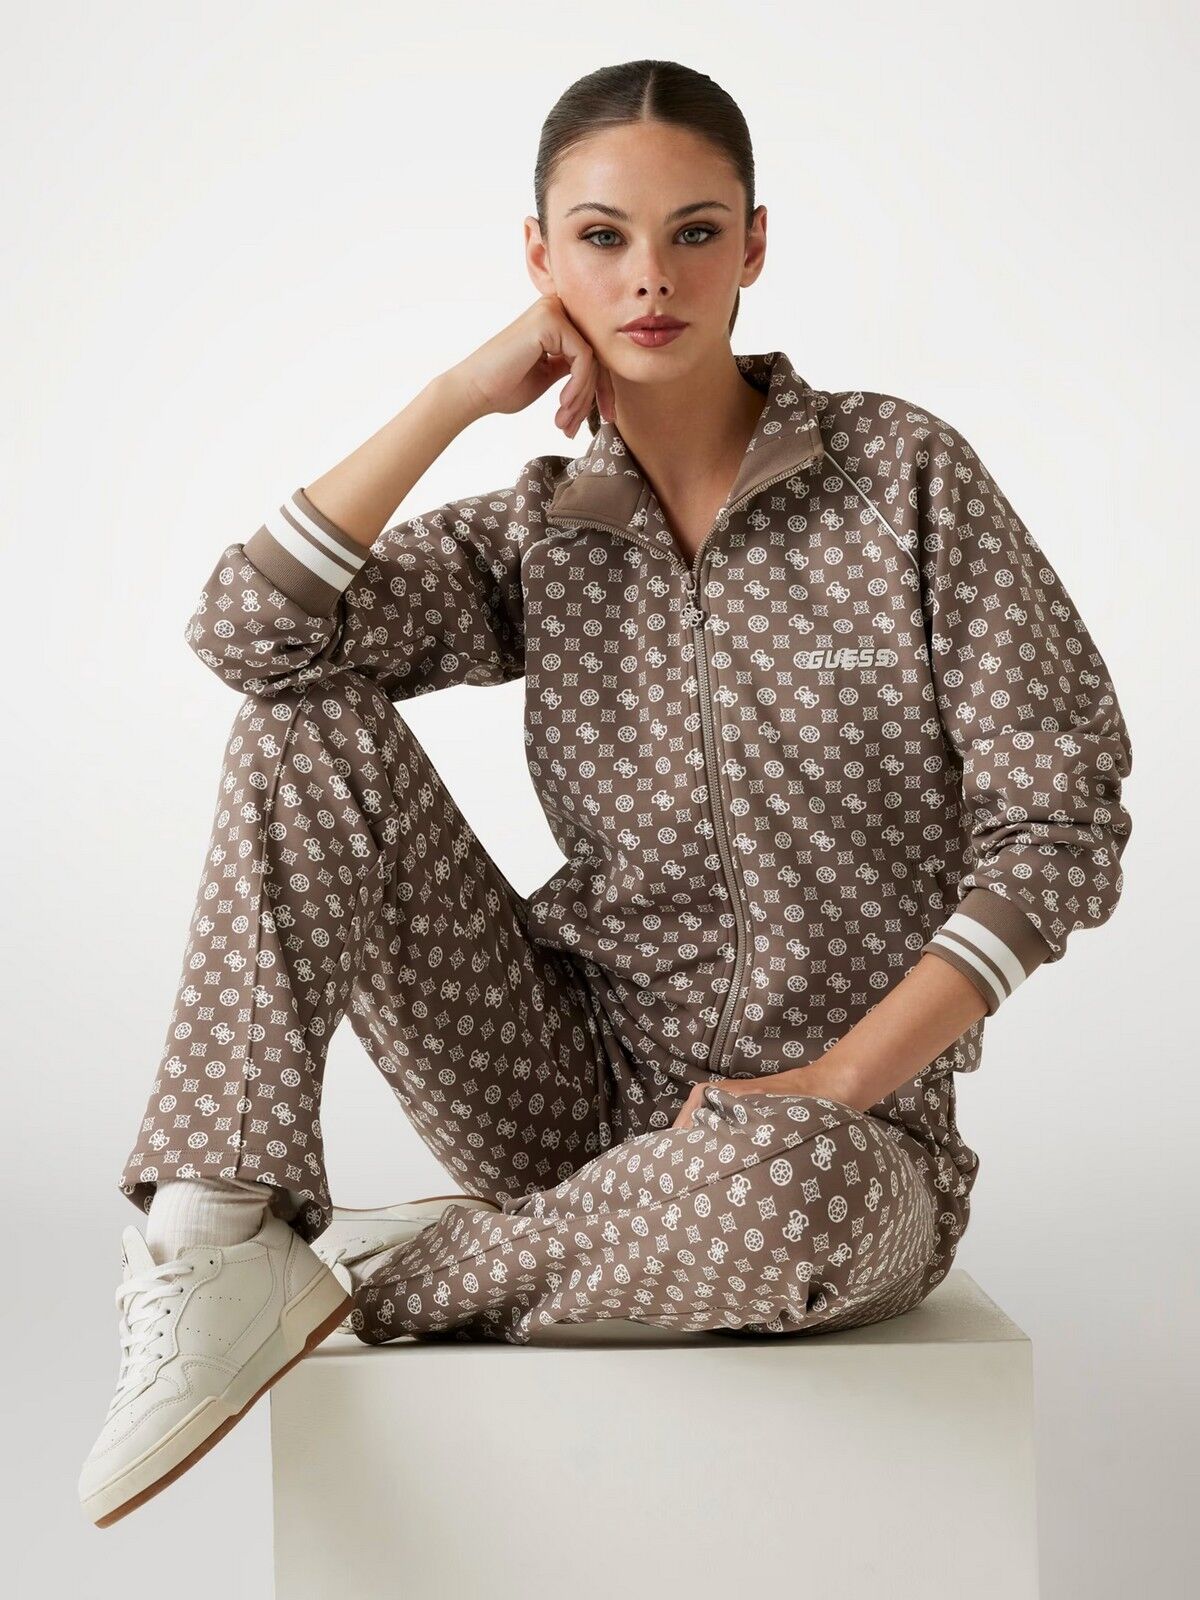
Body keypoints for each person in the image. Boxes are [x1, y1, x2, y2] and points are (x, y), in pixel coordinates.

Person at [78, 58, 1134, 1528]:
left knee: (789, 1200)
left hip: (841, 1143)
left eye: (695, 232)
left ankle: (377, 1278)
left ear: (753, 245)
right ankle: (211, 1241)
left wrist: (835, 1084)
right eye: (602, 237)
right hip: (560, 1086)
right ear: (541, 259)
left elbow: (1062, 828)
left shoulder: (904, 480)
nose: (651, 277)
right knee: (299, 728)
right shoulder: (546, 529)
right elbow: (249, 637)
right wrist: (457, 396)